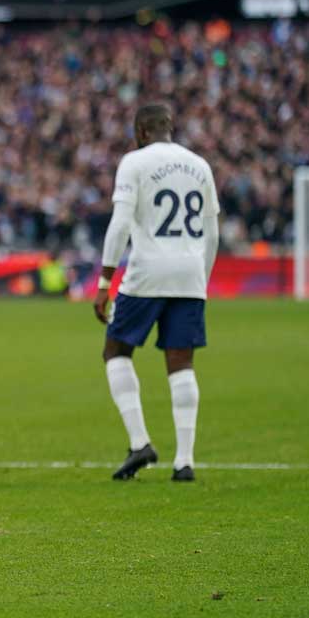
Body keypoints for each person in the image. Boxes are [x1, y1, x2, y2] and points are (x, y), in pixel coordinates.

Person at [93, 103, 219, 482]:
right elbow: (212, 233)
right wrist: (202, 278)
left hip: (148, 271)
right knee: (181, 363)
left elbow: (120, 224)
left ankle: (139, 443)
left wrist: (104, 283)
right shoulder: (200, 165)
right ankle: (184, 462)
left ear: (141, 132)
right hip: (190, 274)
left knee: (116, 350)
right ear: (170, 127)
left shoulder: (134, 162)